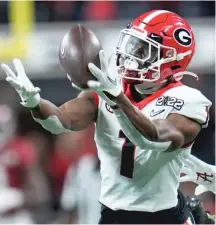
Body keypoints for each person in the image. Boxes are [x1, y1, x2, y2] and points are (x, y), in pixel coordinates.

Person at [1, 10, 212, 224]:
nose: (131, 54)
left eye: (143, 50)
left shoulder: (188, 101)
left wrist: (116, 98)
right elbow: (59, 121)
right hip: (113, 215)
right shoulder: (108, 86)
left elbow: (151, 138)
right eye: (132, 45)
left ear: (170, 60)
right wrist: (35, 103)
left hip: (163, 216)